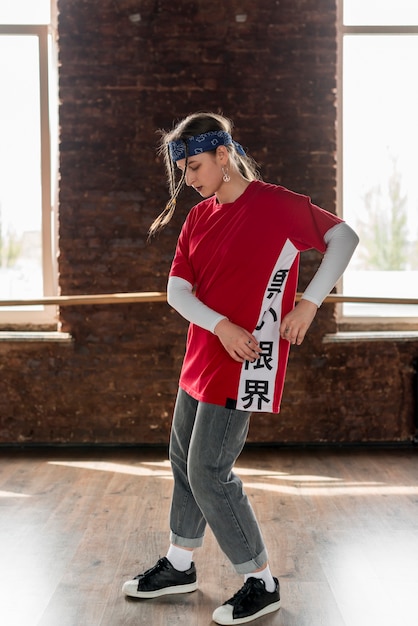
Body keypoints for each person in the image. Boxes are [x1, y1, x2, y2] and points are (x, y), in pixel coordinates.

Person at [122, 112, 359, 625]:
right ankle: (181, 565)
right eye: (183, 171)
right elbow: (176, 291)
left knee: (209, 473)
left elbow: (345, 239)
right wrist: (220, 326)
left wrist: (310, 303)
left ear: (224, 155)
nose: (189, 179)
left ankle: (261, 581)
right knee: (182, 462)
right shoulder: (199, 216)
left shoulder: (277, 205)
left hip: (248, 359)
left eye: (196, 166)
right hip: (204, 353)